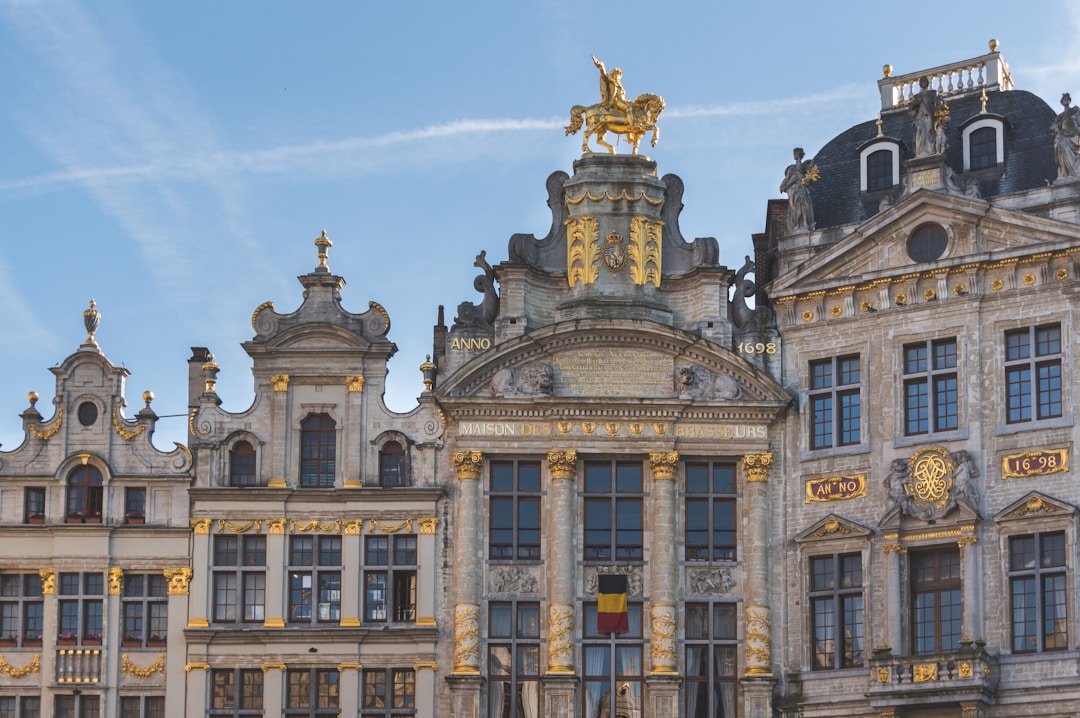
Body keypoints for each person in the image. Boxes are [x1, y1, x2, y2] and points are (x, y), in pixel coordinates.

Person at [909, 76, 948, 157]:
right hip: (920, 117)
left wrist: (940, 104)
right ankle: (920, 151)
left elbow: (938, 102)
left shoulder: (932, 93)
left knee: (929, 133)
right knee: (919, 129)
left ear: (927, 83)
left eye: (925, 81)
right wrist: (916, 103)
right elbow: (911, 109)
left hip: (930, 116)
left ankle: (930, 151)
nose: (923, 82)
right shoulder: (917, 96)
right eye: (922, 81)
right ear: (919, 84)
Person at [780, 147, 815, 231]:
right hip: (793, 189)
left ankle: (804, 223)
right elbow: (787, 179)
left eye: (795, 153)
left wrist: (808, 180)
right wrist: (782, 185)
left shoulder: (804, 166)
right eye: (794, 154)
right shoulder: (791, 168)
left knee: (803, 204)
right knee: (794, 207)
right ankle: (797, 224)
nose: (794, 155)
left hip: (801, 187)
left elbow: (811, 173)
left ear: (799, 154)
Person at [1052, 92, 1080, 178]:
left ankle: (1076, 173)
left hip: (1075, 134)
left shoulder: (1075, 110)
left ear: (1069, 101)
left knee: (1076, 154)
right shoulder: (1060, 116)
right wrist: (1056, 129)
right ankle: (1067, 173)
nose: (1066, 101)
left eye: (1067, 99)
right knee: (1060, 143)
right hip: (1064, 136)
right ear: (1062, 102)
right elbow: (1054, 126)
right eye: (1064, 99)